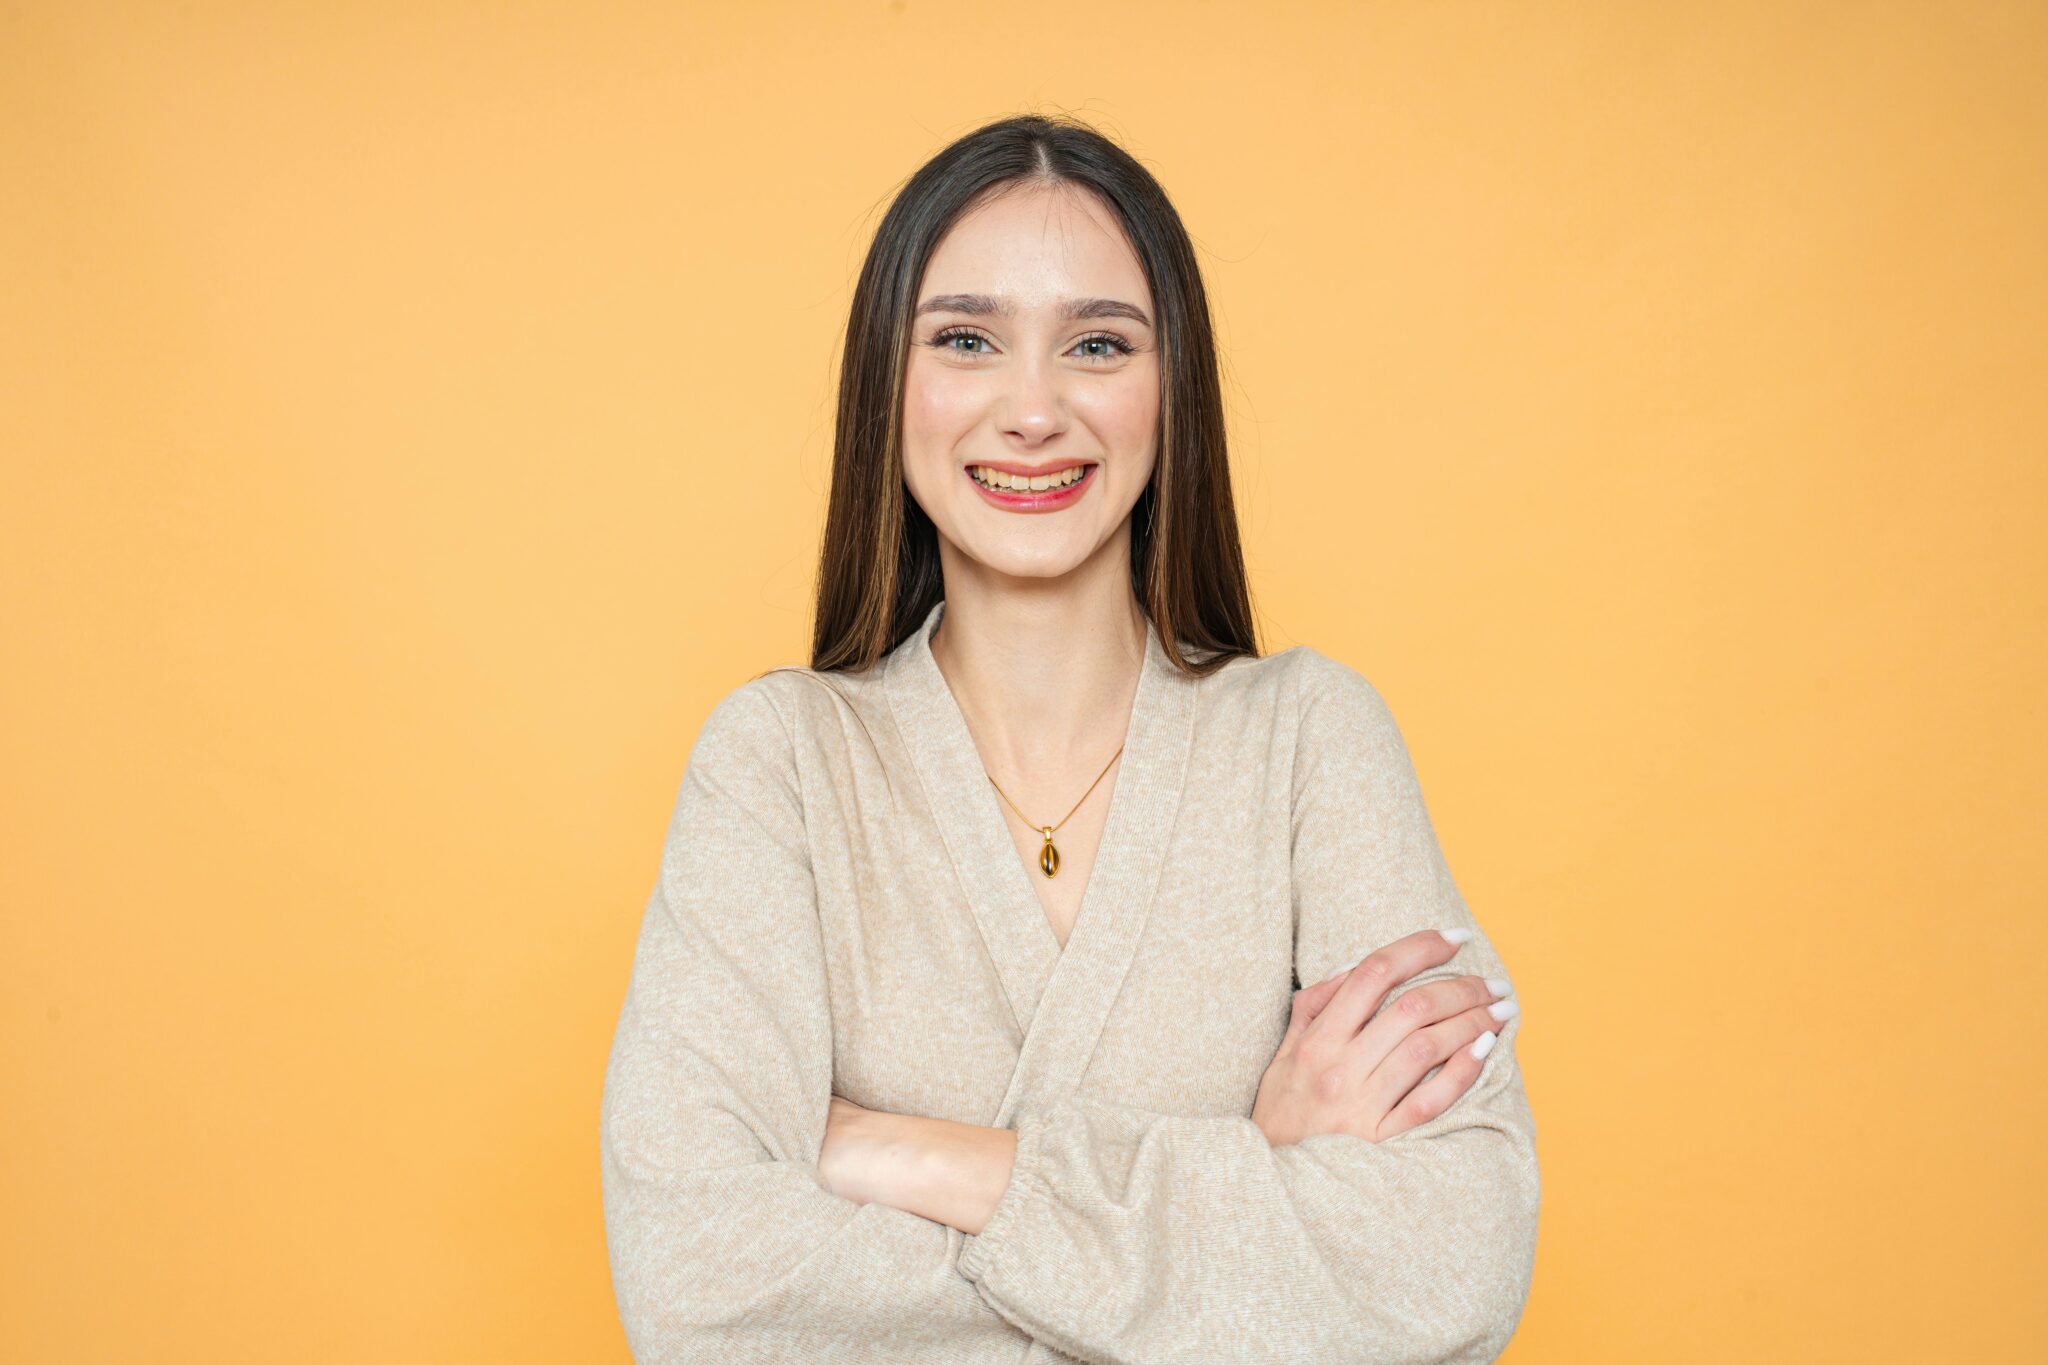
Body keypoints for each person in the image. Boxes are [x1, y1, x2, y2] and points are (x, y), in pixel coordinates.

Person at [599, 113, 1539, 1364]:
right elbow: (692, 1290)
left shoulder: (1309, 741)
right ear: (887, 384)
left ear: (1171, 390)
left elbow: (1452, 1260)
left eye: (1097, 344)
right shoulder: (780, 763)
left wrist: (903, 1153)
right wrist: (1248, 1194)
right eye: (966, 340)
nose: (1032, 410)